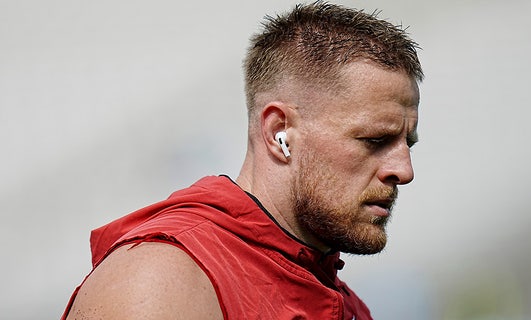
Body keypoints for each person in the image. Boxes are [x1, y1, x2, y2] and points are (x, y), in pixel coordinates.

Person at [62, 1, 423, 319]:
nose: (403, 171)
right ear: (280, 131)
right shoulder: (164, 281)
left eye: (407, 143)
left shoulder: (347, 304)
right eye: (374, 140)